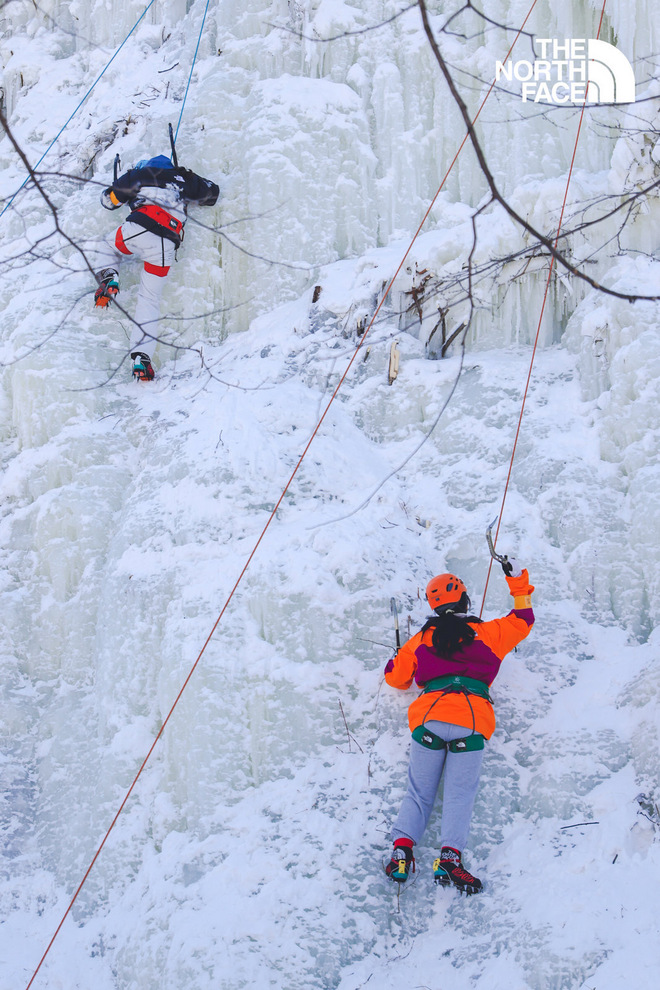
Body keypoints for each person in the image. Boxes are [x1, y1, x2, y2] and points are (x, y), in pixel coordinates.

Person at [383, 561, 534, 893]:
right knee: (459, 795)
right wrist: (518, 585)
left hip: (429, 718)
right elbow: (523, 620)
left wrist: (397, 657)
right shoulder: (487, 633)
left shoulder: (422, 638)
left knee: (419, 792)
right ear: (464, 600)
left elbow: (396, 679)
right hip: (471, 719)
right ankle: (448, 861)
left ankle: (402, 853)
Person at [92, 154, 219, 380]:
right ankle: (141, 356)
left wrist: (119, 187)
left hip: (139, 227)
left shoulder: (139, 175)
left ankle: (109, 276)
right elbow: (212, 194)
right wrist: (188, 178)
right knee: (149, 300)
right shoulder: (182, 179)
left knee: (107, 246)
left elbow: (108, 201)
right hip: (165, 244)